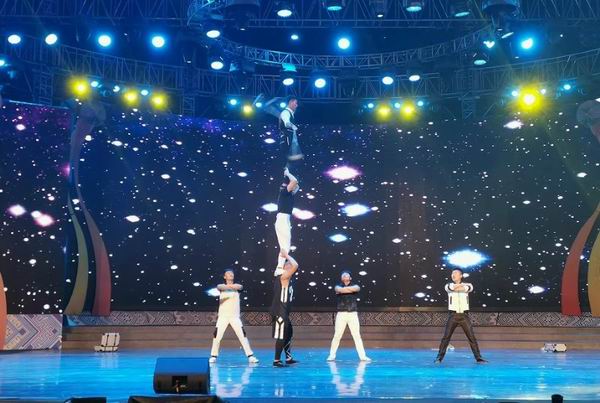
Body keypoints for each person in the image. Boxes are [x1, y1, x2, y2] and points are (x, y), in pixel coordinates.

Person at [434, 268, 487, 364]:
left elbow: (467, 288)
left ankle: (478, 357)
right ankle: (439, 358)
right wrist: (460, 286)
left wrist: (458, 287)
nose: (453, 275)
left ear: (461, 275)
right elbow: (451, 288)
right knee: (446, 337)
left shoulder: (468, 285)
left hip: (464, 315)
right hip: (453, 315)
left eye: (455, 273)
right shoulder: (448, 285)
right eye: (452, 273)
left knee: (471, 337)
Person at [209, 269, 259, 364]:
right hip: (223, 317)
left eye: (232, 273)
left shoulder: (237, 287)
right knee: (217, 336)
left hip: (235, 317)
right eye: (228, 274)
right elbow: (220, 286)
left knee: (242, 336)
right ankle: (213, 356)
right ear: (224, 277)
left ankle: (250, 356)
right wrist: (231, 287)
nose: (230, 274)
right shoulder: (221, 286)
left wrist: (230, 287)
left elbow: (240, 287)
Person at [327, 271, 371, 362]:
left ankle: (363, 356)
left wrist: (345, 290)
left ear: (350, 278)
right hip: (341, 314)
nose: (345, 276)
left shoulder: (356, 286)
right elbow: (340, 290)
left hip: (353, 314)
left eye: (347, 275)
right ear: (341, 278)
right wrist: (349, 290)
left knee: (357, 336)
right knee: (337, 335)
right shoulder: (337, 286)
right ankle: (331, 355)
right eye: (343, 275)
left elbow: (356, 289)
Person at [270, 250, 299, 367]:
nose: (289, 266)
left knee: (288, 333)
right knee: (281, 336)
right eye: (287, 265)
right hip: (279, 311)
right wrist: (286, 255)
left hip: (284, 312)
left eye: (289, 265)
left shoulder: (289, 279)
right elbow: (296, 265)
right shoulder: (283, 277)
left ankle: (288, 358)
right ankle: (276, 360)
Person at [275, 168, 299, 270]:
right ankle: (279, 267)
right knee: (285, 246)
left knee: (285, 246)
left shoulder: (289, 194)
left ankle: (279, 267)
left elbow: (296, 184)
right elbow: (295, 181)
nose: (296, 187)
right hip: (282, 219)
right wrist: (288, 174)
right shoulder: (284, 192)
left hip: (284, 219)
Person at [278, 97, 303, 167]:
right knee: (287, 156)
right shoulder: (286, 112)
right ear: (290, 102)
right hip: (286, 138)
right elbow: (287, 123)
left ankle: (288, 169)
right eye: (295, 103)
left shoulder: (291, 114)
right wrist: (293, 126)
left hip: (289, 138)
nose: (296, 105)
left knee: (291, 158)